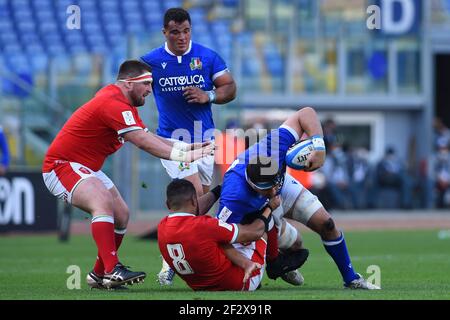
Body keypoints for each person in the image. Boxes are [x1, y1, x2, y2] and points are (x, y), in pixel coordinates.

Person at [42, 60, 214, 290]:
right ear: (129, 83)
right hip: (61, 166)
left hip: (84, 168)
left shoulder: (124, 105)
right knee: (101, 202)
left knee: (122, 215)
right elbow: (143, 142)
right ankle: (113, 269)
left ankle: (98, 274)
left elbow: (151, 137)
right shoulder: (113, 104)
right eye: (147, 84)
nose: (150, 90)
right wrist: (184, 158)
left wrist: (189, 148)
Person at [217, 107, 380, 289]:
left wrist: (319, 146)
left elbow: (306, 113)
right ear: (253, 186)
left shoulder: (275, 148)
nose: (272, 191)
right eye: (266, 190)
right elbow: (220, 236)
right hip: (252, 209)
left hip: (281, 186)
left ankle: (351, 279)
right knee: (295, 244)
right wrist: (245, 262)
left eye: (273, 186)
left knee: (326, 224)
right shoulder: (234, 197)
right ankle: (273, 260)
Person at [140, 7, 237, 285]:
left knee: (198, 206)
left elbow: (230, 87)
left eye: (186, 31)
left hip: (204, 140)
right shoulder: (151, 62)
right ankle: (170, 261)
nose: (181, 37)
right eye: (175, 32)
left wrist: (209, 95)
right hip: (172, 140)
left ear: (191, 30)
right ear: (164, 33)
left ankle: (179, 254)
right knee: (194, 194)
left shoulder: (207, 56)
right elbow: (131, 87)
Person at [157, 179, 306, 291]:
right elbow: (254, 232)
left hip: (199, 286)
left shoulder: (162, 228)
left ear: (167, 204)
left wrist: (221, 189)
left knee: (215, 241)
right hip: (243, 282)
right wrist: (269, 208)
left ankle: (247, 263)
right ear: (194, 201)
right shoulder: (205, 225)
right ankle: (275, 264)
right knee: (264, 220)